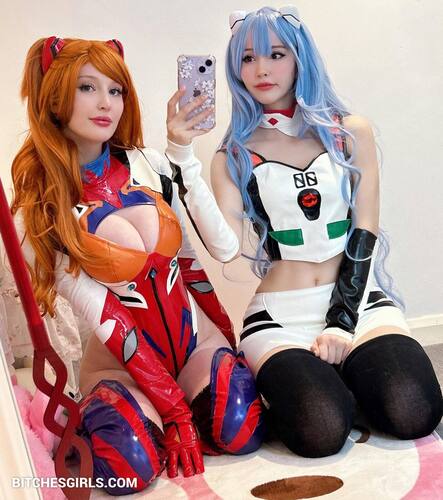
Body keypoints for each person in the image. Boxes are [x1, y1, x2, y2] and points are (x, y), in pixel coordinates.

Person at [11, 37, 264, 495]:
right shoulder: (39, 208)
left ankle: (189, 401)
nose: (106, 103)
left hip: (194, 346)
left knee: (240, 430)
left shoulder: (151, 164)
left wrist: (183, 154)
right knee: (126, 468)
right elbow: (108, 317)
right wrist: (176, 411)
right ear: (55, 96)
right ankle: (118, 413)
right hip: (120, 365)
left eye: (116, 90)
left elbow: (214, 254)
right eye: (87, 88)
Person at [192, 6, 441, 458]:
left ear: (299, 57)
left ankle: (343, 375)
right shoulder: (232, 155)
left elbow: (365, 226)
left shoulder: (349, 133)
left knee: (414, 410)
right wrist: (181, 157)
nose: (262, 69)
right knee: (319, 430)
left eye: (276, 54)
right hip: (280, 319)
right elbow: (224, 249)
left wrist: (342, 322)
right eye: (247, 58)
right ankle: (314, 385)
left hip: (359, 305)